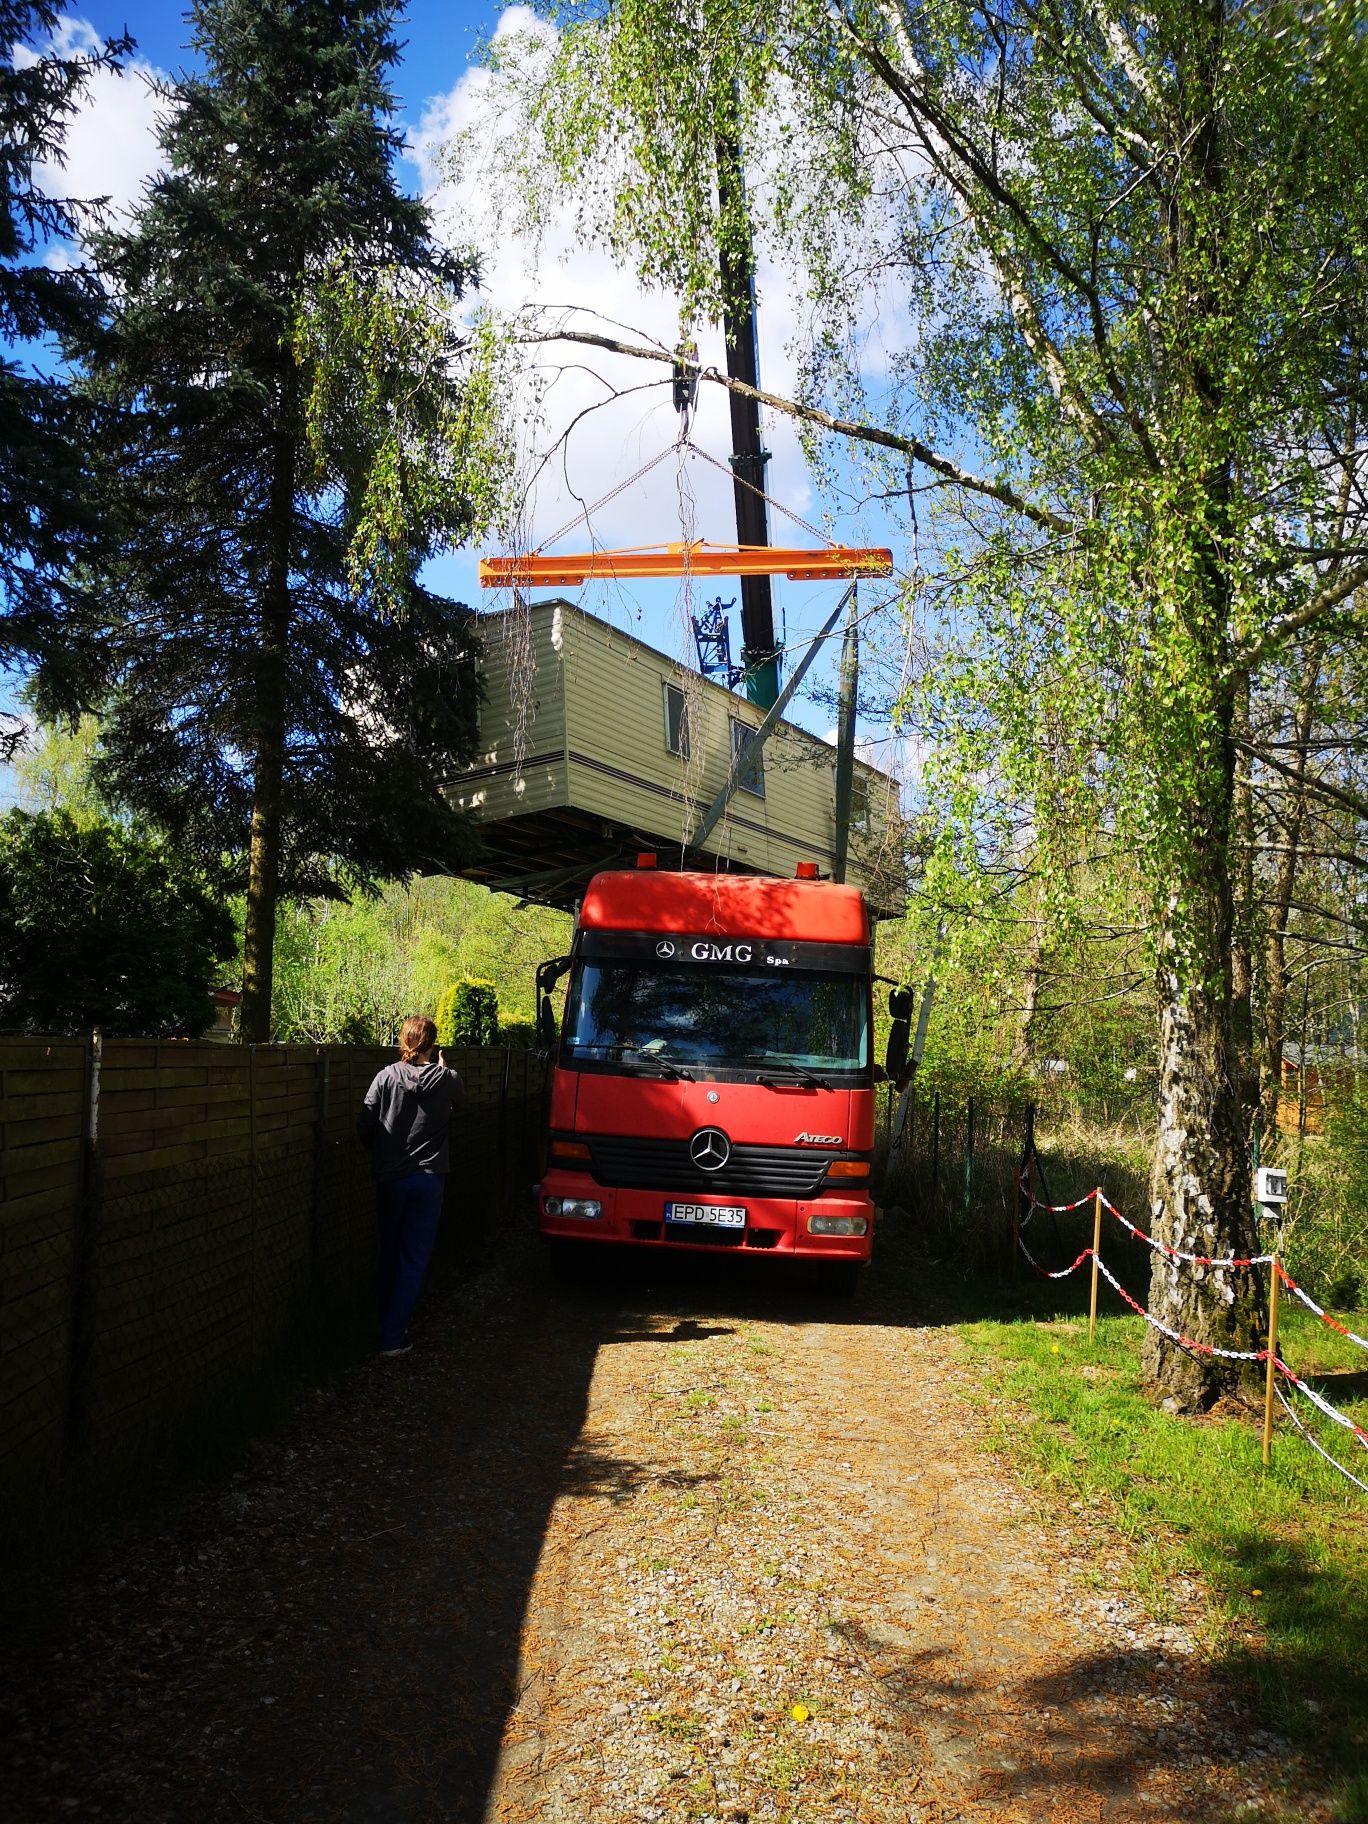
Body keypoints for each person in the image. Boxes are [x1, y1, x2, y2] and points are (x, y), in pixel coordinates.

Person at [356, 1016, 465, 1357]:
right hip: (429, 1179)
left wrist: (382, 1151)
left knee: (388, 1251)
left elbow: (364, 1125)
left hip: (391, 1178)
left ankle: (383, 1327)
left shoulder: (385, 1077)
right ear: (433, 1044)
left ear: (402, 1041)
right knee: (413, 1258)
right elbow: (460, 1108)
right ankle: (392, 1336)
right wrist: (442, 1071)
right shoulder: (449, 1080)